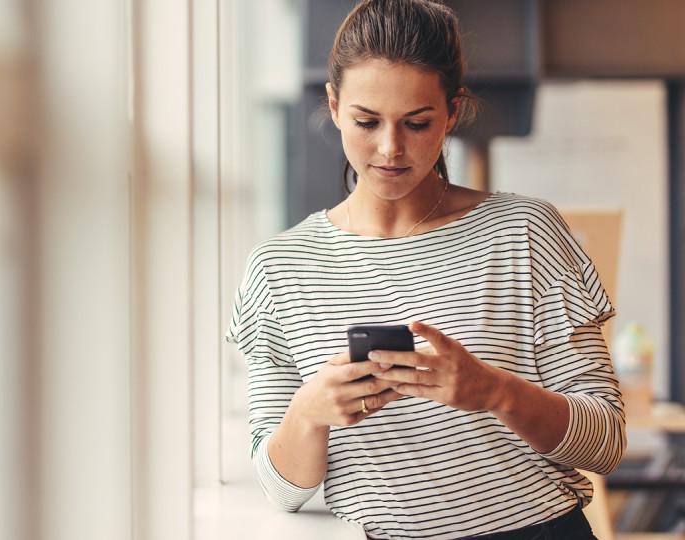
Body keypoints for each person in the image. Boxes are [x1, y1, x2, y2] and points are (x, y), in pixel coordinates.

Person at [223, 1, 625, 538]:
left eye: (417, 123)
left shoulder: (525, 231)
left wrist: (496, 392)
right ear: (334, 104)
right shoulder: (279, 268)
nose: (391, 149)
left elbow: (607, 442)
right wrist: (309, 411)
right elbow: (282, 490)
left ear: (452, 111)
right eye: (367, 121)